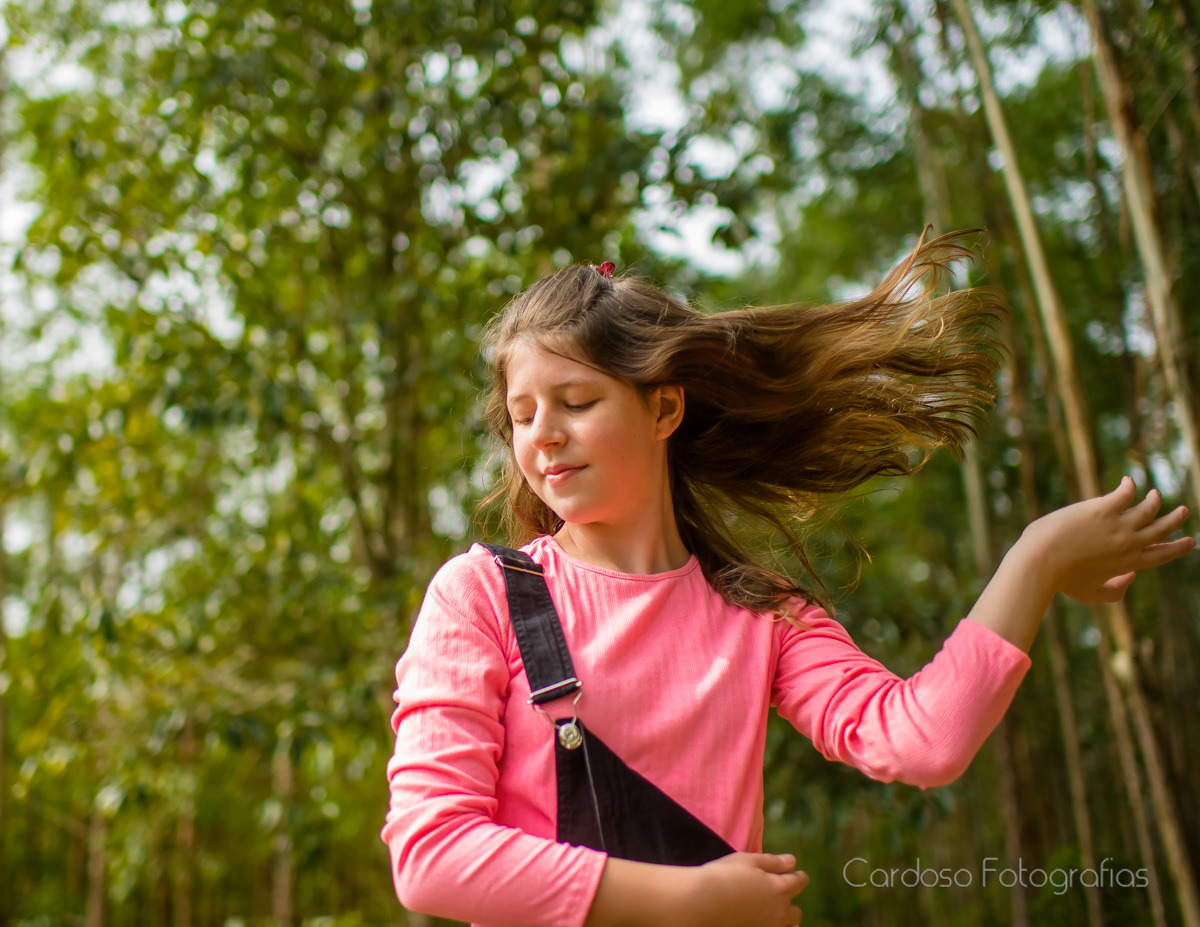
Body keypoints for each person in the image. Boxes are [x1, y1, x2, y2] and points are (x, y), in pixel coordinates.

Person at [380, 232, 1194, 927]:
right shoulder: (483, 592)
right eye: (523, 414)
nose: (544, 436)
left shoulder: (758, 612)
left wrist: (1037, 559)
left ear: (664, 410)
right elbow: (431, 852)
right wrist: (684, 900)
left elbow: (924, 738)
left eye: (576, 400)